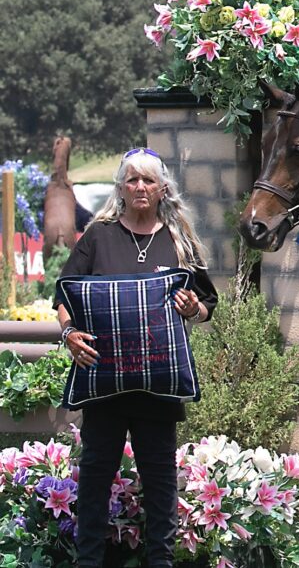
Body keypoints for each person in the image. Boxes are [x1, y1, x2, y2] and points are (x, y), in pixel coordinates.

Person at [56, 148, 218, 568]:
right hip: (104, 385)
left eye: (148, 180)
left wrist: (191, 309)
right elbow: (64, 294)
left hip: (157, 388)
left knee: (161, 481)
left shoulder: (178, 238)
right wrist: (69, 333)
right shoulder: (98, 235)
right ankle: (88, 561)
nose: (140, 187)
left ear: (162, 187)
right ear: (121, 188)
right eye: (132, 180)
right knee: (94, 477)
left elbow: (206, 304)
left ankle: (160, 561)